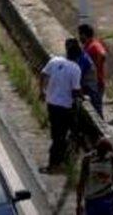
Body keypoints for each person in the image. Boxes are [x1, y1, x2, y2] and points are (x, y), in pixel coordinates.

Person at [40, 38, 83, 173]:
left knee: (57, 134)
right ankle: (54, 164)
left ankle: (58, 162)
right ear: (77, 56)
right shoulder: (75, 69)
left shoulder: (55, 61)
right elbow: (75, 90)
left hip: (52, 104)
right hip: (65, 107)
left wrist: (42, 91)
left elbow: (43, 74)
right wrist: (81, 96)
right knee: (62, 136)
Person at [77, 137, 113, 215]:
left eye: (105, 151)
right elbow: (81, 182)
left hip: (107, 197)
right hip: (92, 199)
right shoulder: (88, 159)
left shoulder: (112, 159)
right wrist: (79, 203)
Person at [79, 23, 107, 116]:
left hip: (96, 82)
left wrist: (97, 66)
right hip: (89, 82)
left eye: (80, 34)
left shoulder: (94, 45)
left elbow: (102, 54)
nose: (79, 37)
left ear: (83, 34)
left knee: (97, 111)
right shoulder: (87, 46)